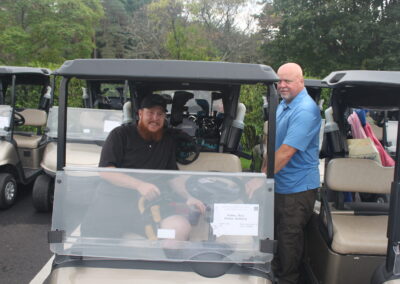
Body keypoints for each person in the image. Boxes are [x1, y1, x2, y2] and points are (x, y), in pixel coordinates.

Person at [96, 93, 205, 241]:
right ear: (140, 113)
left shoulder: (167, 140)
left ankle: (166, 260)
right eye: (150, 113)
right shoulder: (120, 135)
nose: (155, 118)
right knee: (101, 240)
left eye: (160, 114)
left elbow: (172, 176)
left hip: (152, 205)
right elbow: (106, 171)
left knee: (179, 228)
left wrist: (189, 197)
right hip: (116, 204)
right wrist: (139, 185)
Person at [265, 63, 321, 284]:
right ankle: (274, 273)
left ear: (301, 81)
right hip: (279, 183)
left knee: (289, 238)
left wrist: (261, 179)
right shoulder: (283, 105)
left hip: (297, 189)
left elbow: (286, 152)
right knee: (276, 233)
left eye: (287, 81)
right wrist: (264, 175)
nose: (282, 85)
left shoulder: (305, 109)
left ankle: (288, 280)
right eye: (279, 81)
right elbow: (274, 145)